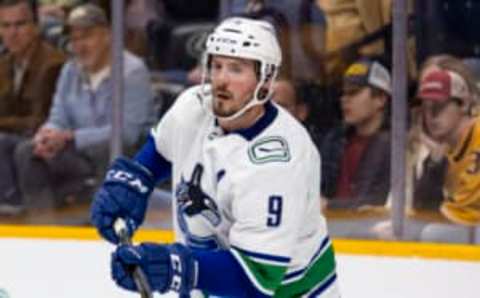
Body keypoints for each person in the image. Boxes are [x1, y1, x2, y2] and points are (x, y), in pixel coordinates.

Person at [91, 17, 340, 297]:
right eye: (217, 65)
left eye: (236, 69)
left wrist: (173, 268)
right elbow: (159, 153)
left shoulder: (278, 161)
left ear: (266, 80)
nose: (221, 79)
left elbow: (256, 279)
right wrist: (132, 183)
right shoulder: (193, 106)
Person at [6, 3, 154, 212]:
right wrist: (47, 134)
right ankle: (42, 227)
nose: (80, 45)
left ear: (107, 35)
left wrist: (71, 138)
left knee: (112, 152)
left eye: (87, 37)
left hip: (125, 155)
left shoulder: (132, 71)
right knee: (29, 151)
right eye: (74, 39)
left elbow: (127, 134)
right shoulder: (70, 69)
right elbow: (58, 116)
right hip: (79, 152)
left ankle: (103, 224)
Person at [0, 0, 66, 215]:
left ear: (36, 27)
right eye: (5, 26)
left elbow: (39, 120)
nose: (12, 33)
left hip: (44, 141)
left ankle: (11, 206)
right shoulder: (4, 64)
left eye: (20, 24)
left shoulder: (52, 64)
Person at [415, 69, 480, 243]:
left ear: (464, 105)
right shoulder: (446, 149)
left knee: (431, 234)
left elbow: (465, 215)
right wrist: (435, 162)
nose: (431, 116)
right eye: (425, 108)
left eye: (439, 106)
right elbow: (422, 206)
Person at [320, 57, 391, 210]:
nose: (344, 100)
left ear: (380, 99)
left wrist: (329, 205)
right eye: (343, 94)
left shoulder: (396, 147)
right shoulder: (335, 141)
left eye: (353, 93)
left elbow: (379, 201)